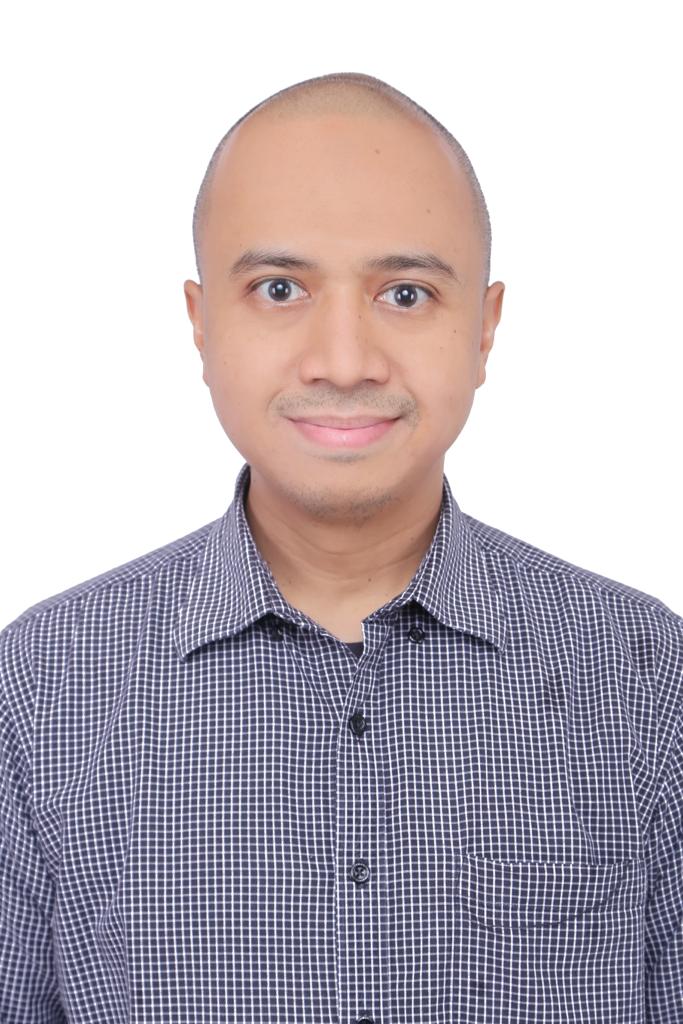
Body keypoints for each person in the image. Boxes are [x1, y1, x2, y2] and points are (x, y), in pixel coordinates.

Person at [1, 71, 681, 1024]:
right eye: (279, 289)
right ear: (200, 322)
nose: (345, 361)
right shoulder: (42, 685)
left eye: (405, 293)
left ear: (485, 329)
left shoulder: (643, 675)